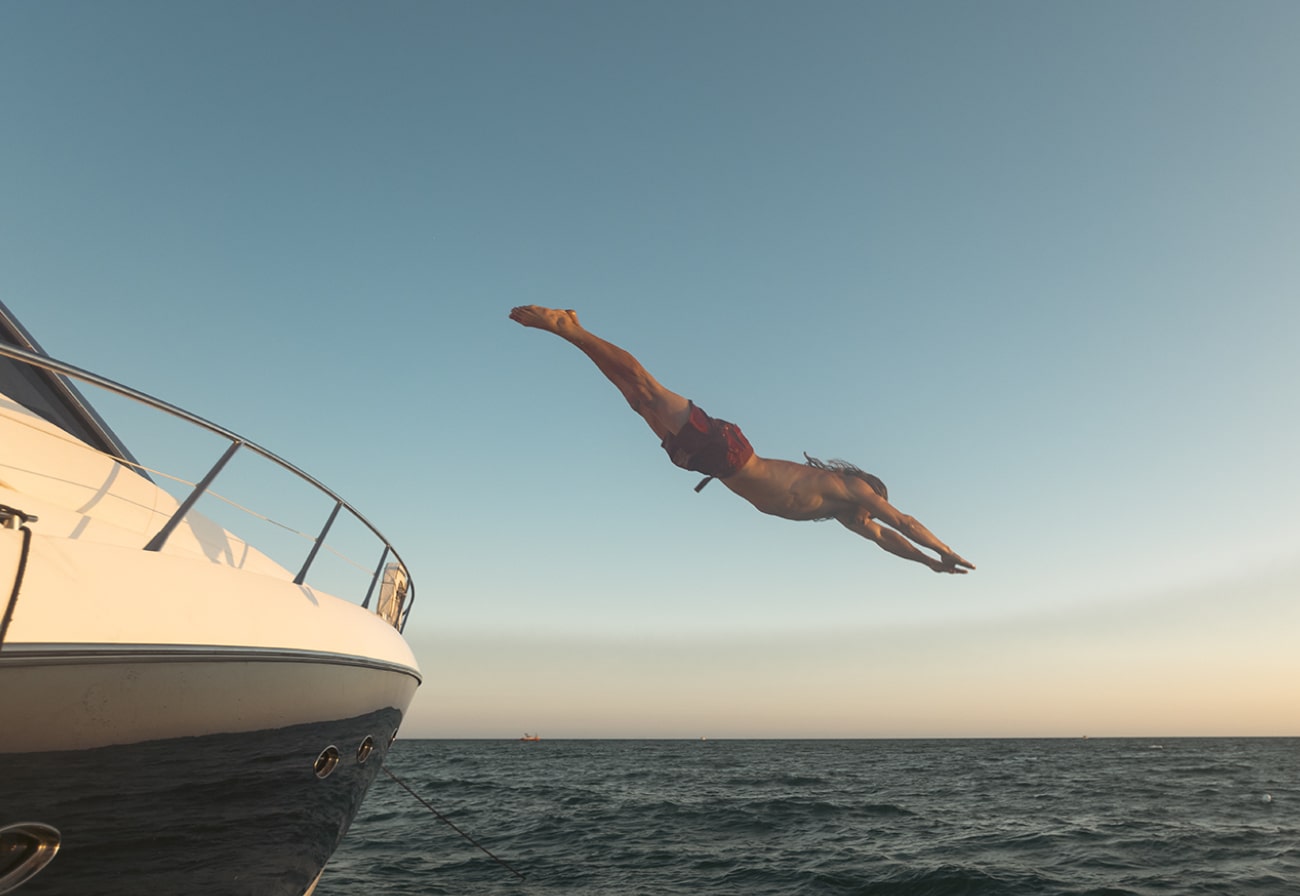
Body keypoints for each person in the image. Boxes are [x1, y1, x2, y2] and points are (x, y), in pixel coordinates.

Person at [509, 305, 974, 574]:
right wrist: (944, 549)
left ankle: (571, 332)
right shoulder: (852, 491)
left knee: (636, 400)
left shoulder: (846, 517)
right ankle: (570, 328)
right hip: (731, 453)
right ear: (871, 491)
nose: (872, 514)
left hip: (708, 465)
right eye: (874, 505)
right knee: (648, 388)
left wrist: (930, 566)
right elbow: (904, 523)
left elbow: (888, 541)